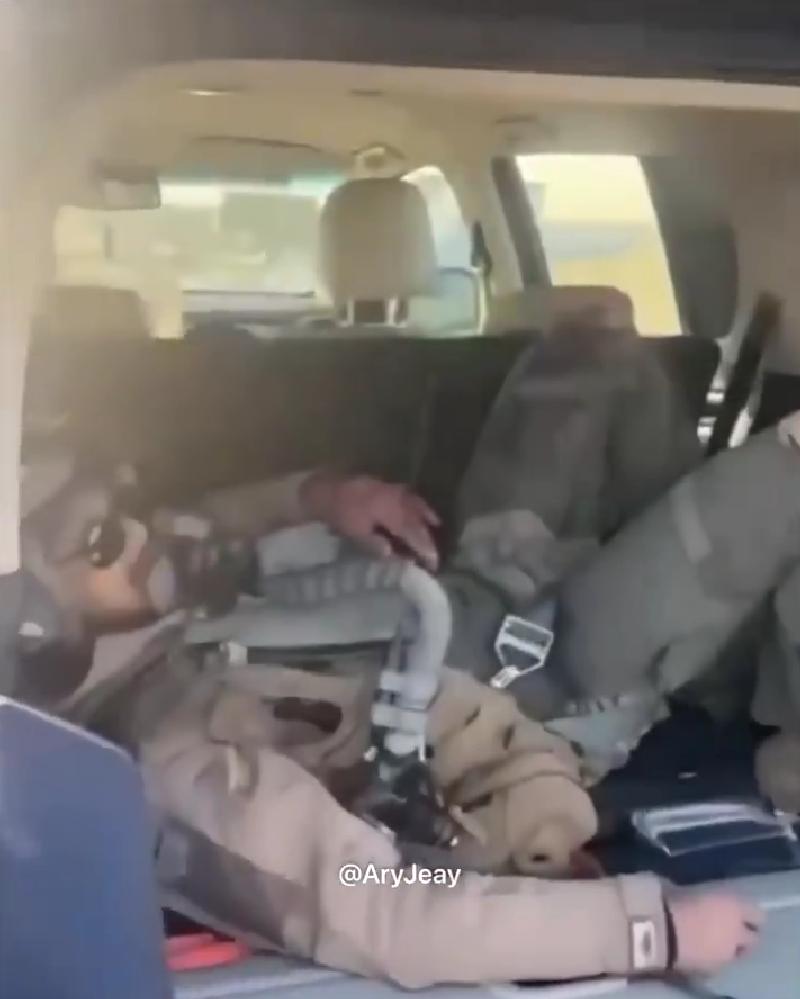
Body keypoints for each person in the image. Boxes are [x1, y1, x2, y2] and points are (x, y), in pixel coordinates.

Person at [15, 454, 762, 989]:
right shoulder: (172, 766)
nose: (139, 538)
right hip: (541, 722)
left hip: (464, 647)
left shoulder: (140, 634)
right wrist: (649, 929)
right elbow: (383, 900)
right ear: (35, 628)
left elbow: (199, 522)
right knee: (776, 475)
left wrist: (323, 494)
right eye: (102, 539)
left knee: (603, 360)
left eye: (121, 515)